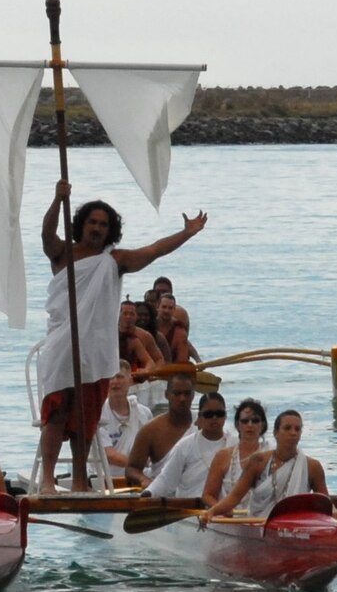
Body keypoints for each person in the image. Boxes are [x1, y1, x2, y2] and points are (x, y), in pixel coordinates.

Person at [36, 179, 208, 493]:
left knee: (86, 420)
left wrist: (186, 233)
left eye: (103, 224)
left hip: (97, 352)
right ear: (81, 224)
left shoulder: (114, 262)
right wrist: (58, 200)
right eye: (92, 222)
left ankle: (78, 481)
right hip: (63, 345)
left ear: (110, 229)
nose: (97, 228)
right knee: (57, 413)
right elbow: (47, 236)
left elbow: (154, 250)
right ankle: (47, 479)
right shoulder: (63, 254)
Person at [202, 408, 332, 524]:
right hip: (259, 524)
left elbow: (326, 503)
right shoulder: (258, 461)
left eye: (297, 429)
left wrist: (336, 514)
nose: (293, 433)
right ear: (276, 433)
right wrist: (211, 512)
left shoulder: (313, 466)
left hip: (296, 526)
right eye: (287, 428)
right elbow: (234, 497)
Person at [143, 390, 231, 499]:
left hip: (227, 510)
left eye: (219, 414)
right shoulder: (185, 446)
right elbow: (166, 480)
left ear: (226, 415)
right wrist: (149, 493)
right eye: (208, 414)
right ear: (200, 416)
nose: (214, 418)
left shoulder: (235, 444)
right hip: (190, 509)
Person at [122, 372, 197, 489]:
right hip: (163, 495)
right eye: (177, 393)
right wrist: (145, 480)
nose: (182, 398)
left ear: (193, 395)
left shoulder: (203, 424)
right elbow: (131, 469)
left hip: (198, 494)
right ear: (167, 395)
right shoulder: (150, 430)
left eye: (187, 394)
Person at [202, 398, 270, 507]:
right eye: (245, 421)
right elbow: (208, 495)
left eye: (255, 421)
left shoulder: (272, 455)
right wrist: (221, 509)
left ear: (262, 425)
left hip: (261, 520)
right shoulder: (223, 456)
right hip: (228, 520)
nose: (250, 425)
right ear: (238, 425)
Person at [98, 368, 151, 477]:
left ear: (130, 381)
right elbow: (109, 456)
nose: (115, 381)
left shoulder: (144, 413)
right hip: (106, 479)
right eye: (111, 377)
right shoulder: (98, 415)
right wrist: (140, 464)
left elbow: (152, 448)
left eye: (120, 377)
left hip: (140, 475)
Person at [118, 301, 163, 373]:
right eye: (125, 314)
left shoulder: (144, 336)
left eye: (132, 314)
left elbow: (158, 359)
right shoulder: (110, 335)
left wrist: (151, 373)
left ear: (136, 317)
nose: (128, 317)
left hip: (136, 377)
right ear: (118, 315)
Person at [157, 292, 198, 364]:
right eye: (164, 307)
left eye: (170, 308)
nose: (166, 311)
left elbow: (182, 361)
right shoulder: (149, 325)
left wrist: (198, 360)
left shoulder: (179, 331)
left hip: (171, 370)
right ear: (158, 307)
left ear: (174, 310)